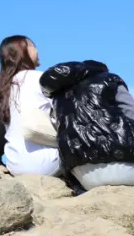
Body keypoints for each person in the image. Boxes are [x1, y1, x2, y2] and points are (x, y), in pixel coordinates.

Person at [41, 60, 134, 189]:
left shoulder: (58, 97)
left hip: (82, 177)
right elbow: (131, 112)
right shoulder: (110, 79)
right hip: (126, 167)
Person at [0, 36, 62, 177]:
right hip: (46, 163)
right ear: (22, 51)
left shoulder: (5, 86)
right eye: (33, 46)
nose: (37, 50)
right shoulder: (40, 78)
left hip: (15, 164)